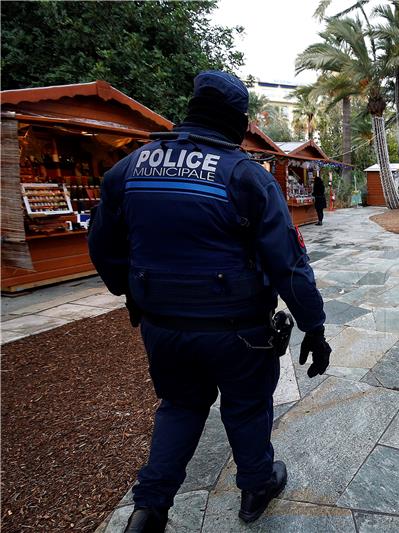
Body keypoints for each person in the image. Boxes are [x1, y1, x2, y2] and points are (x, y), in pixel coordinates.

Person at [88, 71, 332, 532]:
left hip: (162, 326)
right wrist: (314, 327)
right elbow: (288, 264)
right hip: (237, 331)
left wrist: (133, 292)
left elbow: (102, 245)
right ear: (239, 123)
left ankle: (149, 508)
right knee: (245, 407)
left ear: (193, 109)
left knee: (180, 406)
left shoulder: (129, 169)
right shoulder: (245, 176)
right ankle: (257, 486)